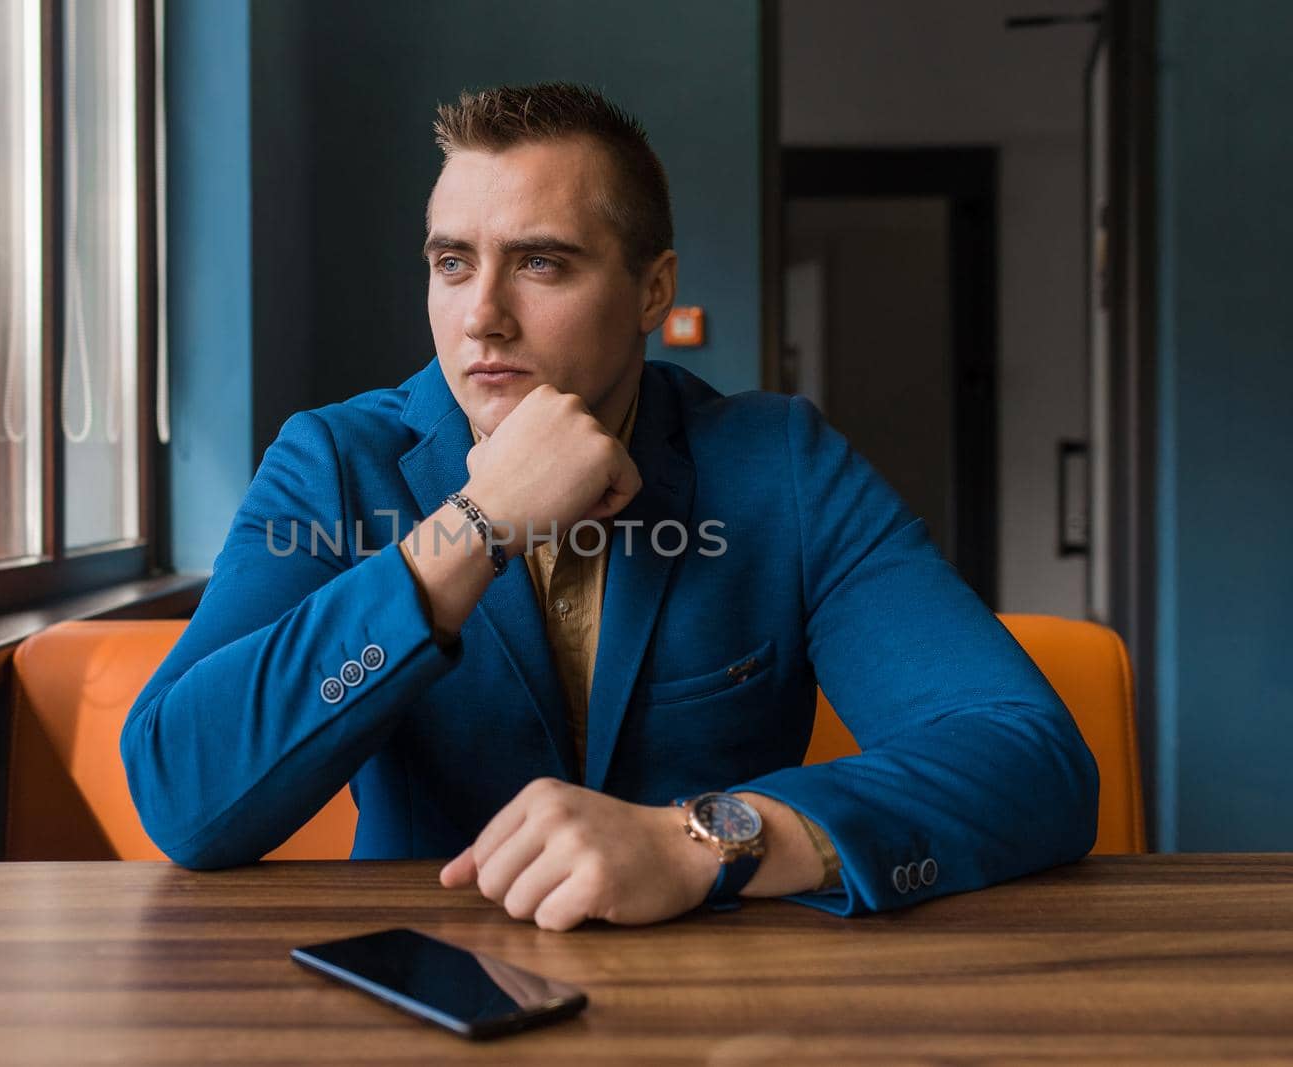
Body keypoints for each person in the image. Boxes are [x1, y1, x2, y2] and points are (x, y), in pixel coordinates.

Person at [121, 82, 1099, 930]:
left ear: (651, 290)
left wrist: (703, 842)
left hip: (725, 998)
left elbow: (1029, 761)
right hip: (426, 981)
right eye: (453, 261)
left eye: (541, 262)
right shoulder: (335, 461)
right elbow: (183, 793)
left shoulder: (778, 465)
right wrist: (475, 524)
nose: (480, 315)